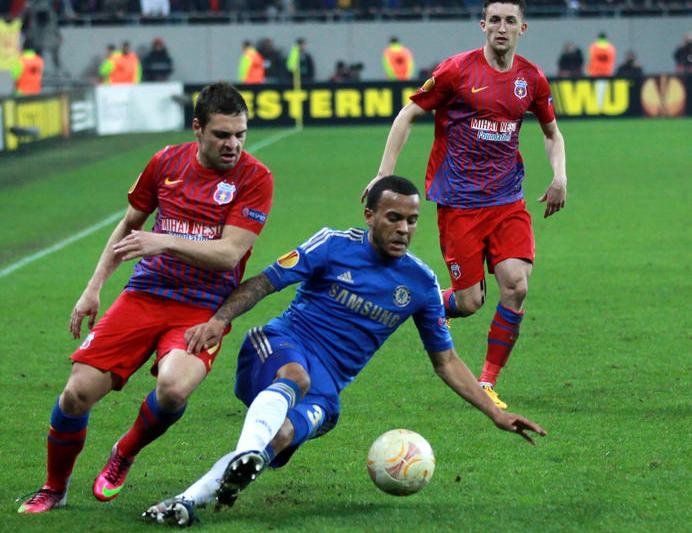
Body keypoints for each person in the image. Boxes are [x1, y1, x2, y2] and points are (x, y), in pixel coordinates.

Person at [142, 175, 546, 527]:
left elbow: (447, 361)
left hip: (327, 387)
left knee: (280, 437)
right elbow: (266, 282)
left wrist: (496, 413)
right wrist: (219, 320)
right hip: (279, 346)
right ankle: (244, 455)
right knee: (293, 380)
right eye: (393, 218)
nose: (404, 228)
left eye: (411, 220)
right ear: (370, 216)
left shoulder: (420, 284)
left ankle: (184, 503)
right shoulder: (332, 245)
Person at [17, 82, 275, 514]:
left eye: (239, 134)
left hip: (202, 307)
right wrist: (94, 286)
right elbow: (129, 225)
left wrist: (165, 241)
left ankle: (125, 451)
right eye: (222, 135)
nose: (233, 144)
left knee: (173, 389)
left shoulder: (255, 177)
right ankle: (54, 489)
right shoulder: (165, 162)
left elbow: (229, 253)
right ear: (198, 128)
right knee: (75, 395)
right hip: (145, 294)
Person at [362, 0, 567, 410]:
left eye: (511, 21)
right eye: (495, 20)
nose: (502, 28)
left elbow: (551, 132)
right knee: (469, 302)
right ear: (483, 25)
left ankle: (487, 380)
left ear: (522, 28)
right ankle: (422, 302)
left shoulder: (531, 78)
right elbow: (407, 114)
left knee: (516, 285)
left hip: (508, 199)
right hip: (459, 204)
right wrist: (384, 174)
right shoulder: (457, 70)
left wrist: (560, 175)